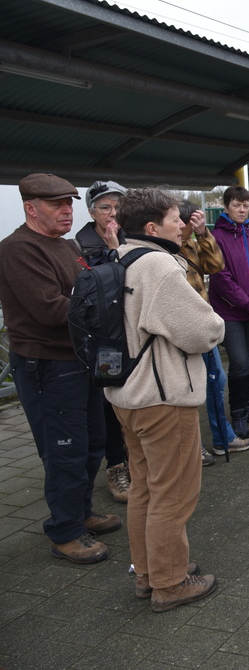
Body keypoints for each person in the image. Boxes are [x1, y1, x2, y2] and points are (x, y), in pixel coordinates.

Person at [105, 188, 224, 612]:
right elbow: (201, 331)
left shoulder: (120, 257)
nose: (183, 223)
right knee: (173, 494)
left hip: (127, 395)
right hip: (163, 399)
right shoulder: (157, 264)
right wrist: (216, 322)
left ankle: (151, 572)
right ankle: (171, 584)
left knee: (145, 491)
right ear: (152, 227)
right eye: (176, 218)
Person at [0, 173, 121, 564]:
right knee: (64, 450)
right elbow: (53, 310)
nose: (67, 211)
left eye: (70, 203)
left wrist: (89, 299)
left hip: (78, 360)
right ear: (31, 208)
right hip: (46, 366)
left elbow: (83, 294)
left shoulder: (67, 246)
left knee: (91, 442)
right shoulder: (17, 249)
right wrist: (96, 303)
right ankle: (65, 532)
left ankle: (81, 513)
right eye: (57, 205)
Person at [177, 201, 249, 461]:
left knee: (216, 381)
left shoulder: (191, 244)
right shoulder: (168, 250)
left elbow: (215, 264)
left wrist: (202, 235)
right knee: (186, 390)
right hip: (182, 329)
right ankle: (192, 444)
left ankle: (222, 438)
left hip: (202, 325)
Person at [74, 179, 132, 502]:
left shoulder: (129, 236)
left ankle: (133, 458)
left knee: (130, 398)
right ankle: (116, 467)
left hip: (130, 332)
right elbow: (99, 285)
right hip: (103, 339)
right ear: (92, 211)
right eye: (105, 208)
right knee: (109, 403)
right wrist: (113, 252)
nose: (112, 214)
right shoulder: (81, 246)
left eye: (117, 207)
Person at [209, 186, 249, 438]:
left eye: (245, 205)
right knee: (239, 363)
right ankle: (237, 415)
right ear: (226, 207)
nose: (242, 209)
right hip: (231, 312)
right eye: (236, 205)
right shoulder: (217, 238)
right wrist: (248, 303)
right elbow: (220, 279)